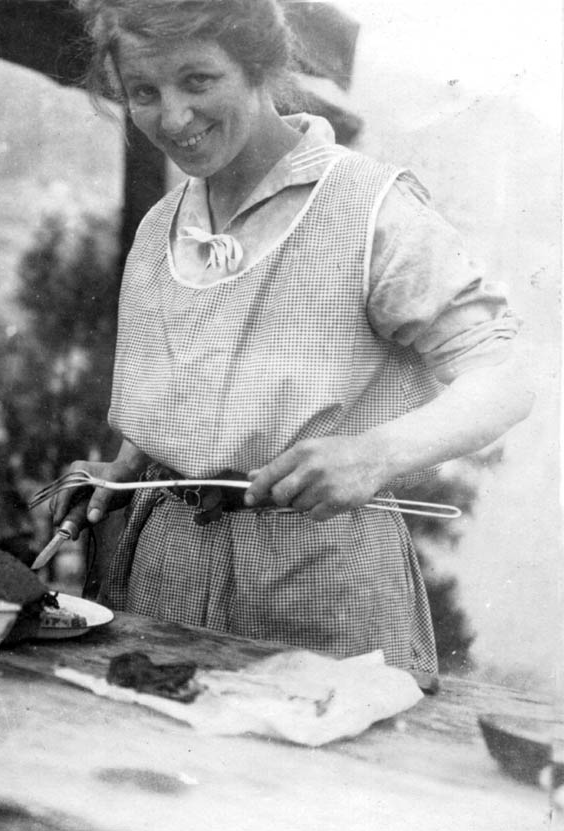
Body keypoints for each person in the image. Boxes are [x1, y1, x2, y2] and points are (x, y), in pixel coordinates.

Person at [51, 0, 533, 679]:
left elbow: (504, 378)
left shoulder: (367, 207)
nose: (174, 118)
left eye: (198, 80)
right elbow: (192, 393)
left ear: (259, 65)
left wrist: (372, 454)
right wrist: (132, 466)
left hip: (320, 580)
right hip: (161, 573)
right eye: (144, 92)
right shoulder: (161, 229)